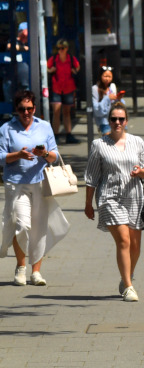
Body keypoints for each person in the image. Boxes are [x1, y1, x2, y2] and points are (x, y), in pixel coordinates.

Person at [84, 102, 144, 302]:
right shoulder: (99, 145)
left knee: (135, 246)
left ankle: (125, 277)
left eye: (121, 119)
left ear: (126, 121)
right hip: (109, 197)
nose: (117, 122)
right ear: (109, 121)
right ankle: (129, 287)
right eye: (114, 119)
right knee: (124, 240)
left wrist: (140, 172)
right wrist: (88, 203)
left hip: (134, 196)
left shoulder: (138, 142)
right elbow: (92, 177)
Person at [0, 89, 67, 286]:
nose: (26, 112)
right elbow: (1, 157)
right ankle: (21, 267)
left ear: (35, 108)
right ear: (17, 110)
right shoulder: (6, 129)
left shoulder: (44, 127)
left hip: (39, 182)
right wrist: (18, 155)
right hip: (16, 183)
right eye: (22, 109)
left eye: (29, 108)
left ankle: (36, 271)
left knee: (38, 228)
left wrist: (44, 154)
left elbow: (54, 154)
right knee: (23, 225)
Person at [47, 38, 80, 144]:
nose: (61, 50)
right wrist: (50, 70)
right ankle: (55, 135)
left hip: (68, 88)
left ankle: (68, 135)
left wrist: (74, 70)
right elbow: (46, 67)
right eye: (59, 48)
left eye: (63, 48)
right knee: (56, 112)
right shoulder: (54, 59)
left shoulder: (71, 58)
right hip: (56, 87)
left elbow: (78, 66)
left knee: (66, 112)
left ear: (66, 48)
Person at [91, 66, 123, 135]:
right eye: (105, 76)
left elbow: (116, 106)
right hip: (104, 121)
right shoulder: (95, 89)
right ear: (100, 76)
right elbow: (96, 109)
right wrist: (107, 98)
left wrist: (118, 99)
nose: (107, 79)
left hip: (115, 119)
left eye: (109, 76)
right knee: (109, 141)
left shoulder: (112, 87)